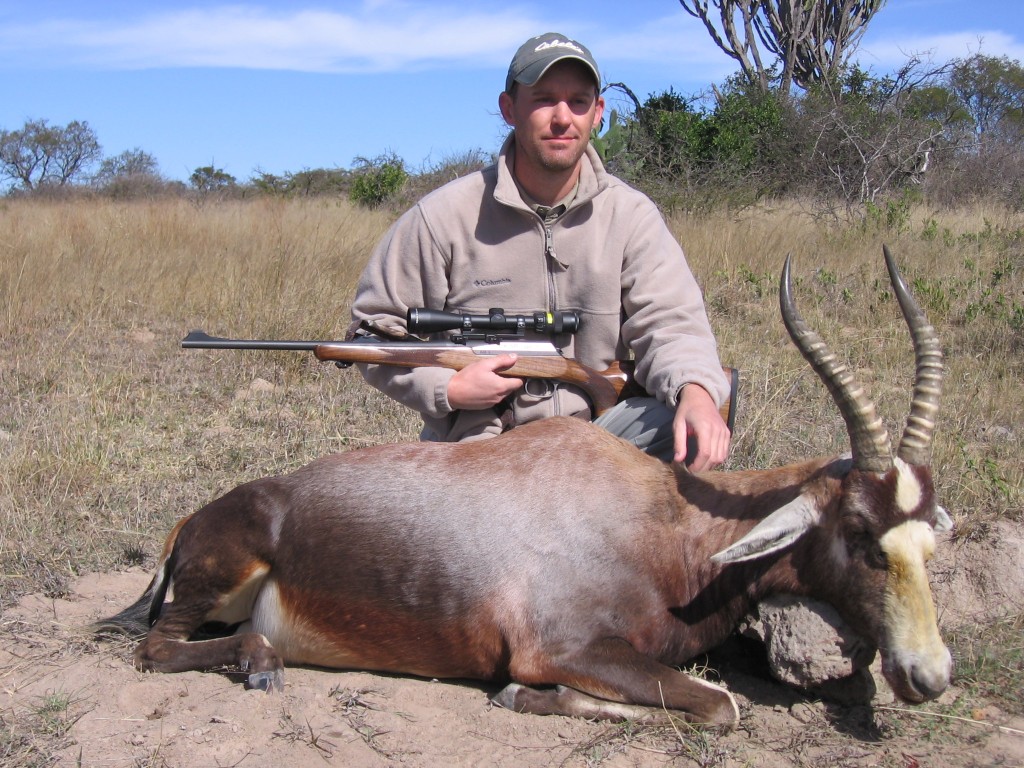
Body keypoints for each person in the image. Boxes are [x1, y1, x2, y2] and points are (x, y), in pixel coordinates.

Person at [350, 32, 731, 469]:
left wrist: (697, 394)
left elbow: (673, 325)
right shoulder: (442, 217)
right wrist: (447, 390)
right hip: (481, 448)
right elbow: (372, 332)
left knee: (681, 423)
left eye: (578, 102)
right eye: (544, 99)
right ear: (509, 109)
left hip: (599, 440)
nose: (562, 118)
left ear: (598, 113)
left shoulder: (631, 215)